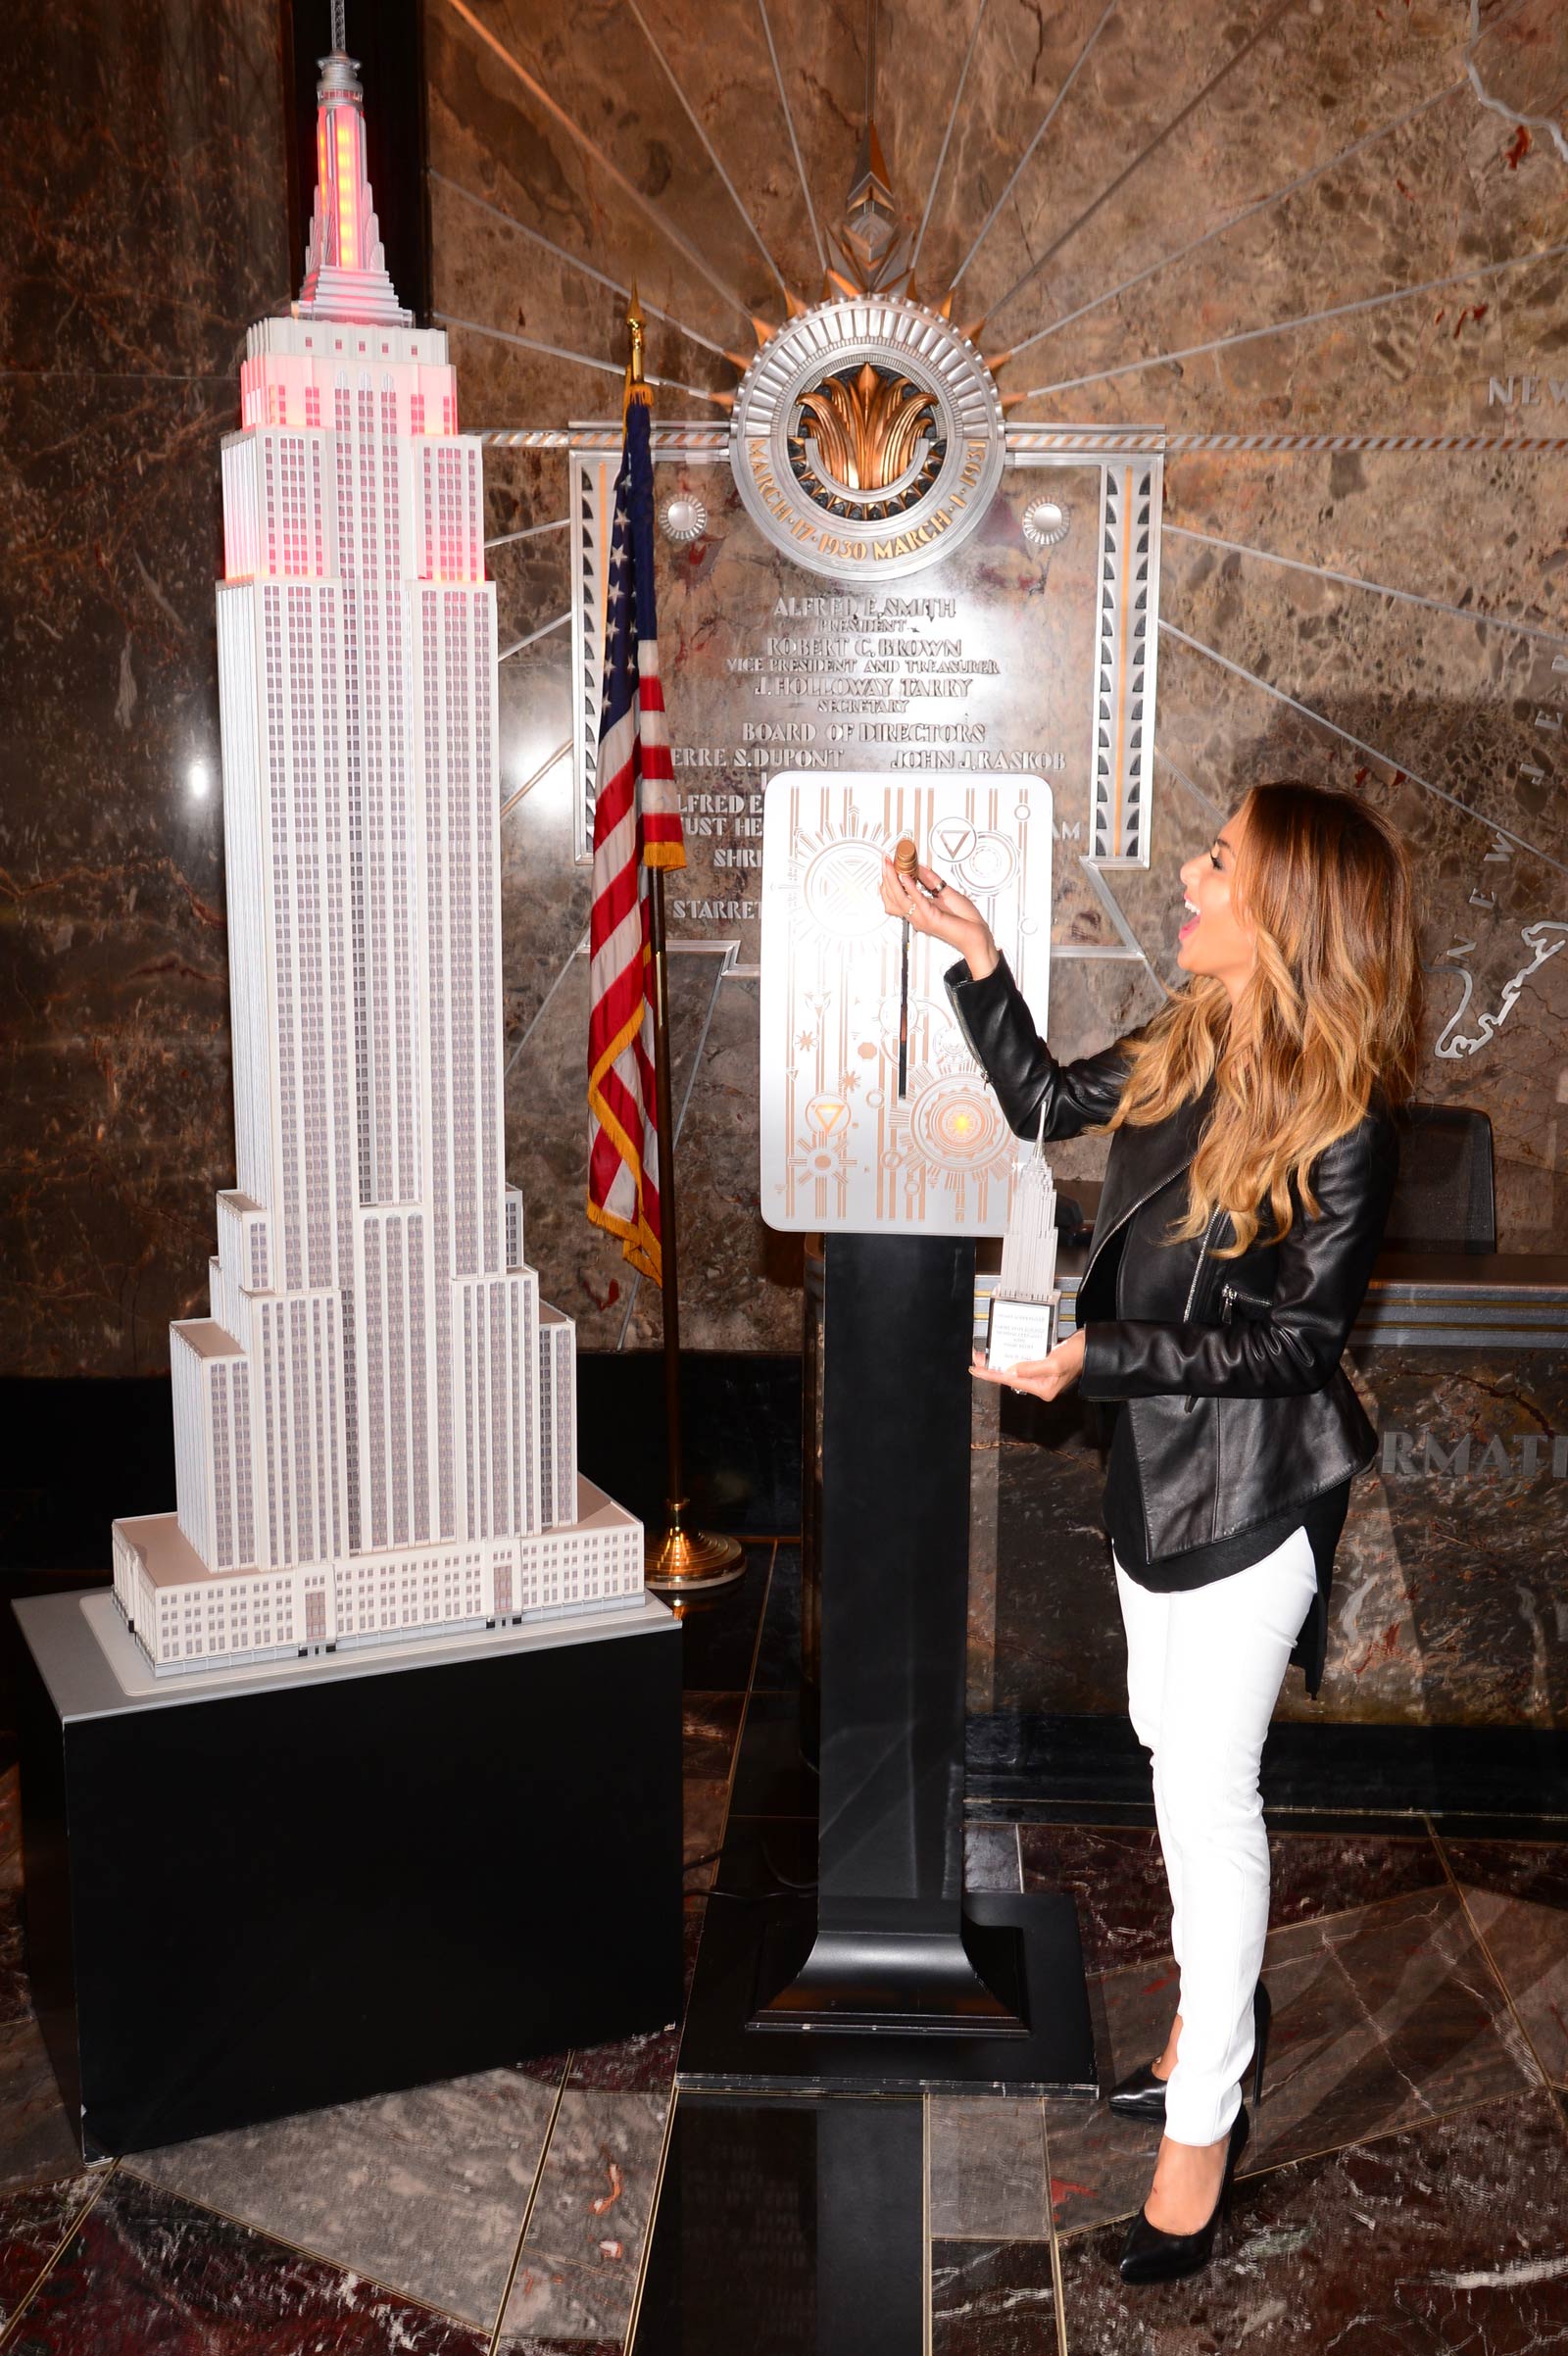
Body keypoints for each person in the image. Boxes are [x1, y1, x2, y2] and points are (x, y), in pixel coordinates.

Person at [879, 781, 1420, 2284]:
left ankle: (1203, 2124)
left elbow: (1298, 1351)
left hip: (1257, 1491)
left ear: (1284, 914)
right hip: (1149, 1477)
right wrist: (981, 958)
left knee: (1204, 1795)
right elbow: (1048, 1105)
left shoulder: (1346, 1118)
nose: (1188, 873)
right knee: (1154, 1729)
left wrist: (1093, 1361)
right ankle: (1204, 2018)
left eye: (1217, 860)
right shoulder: (1190, 1039)